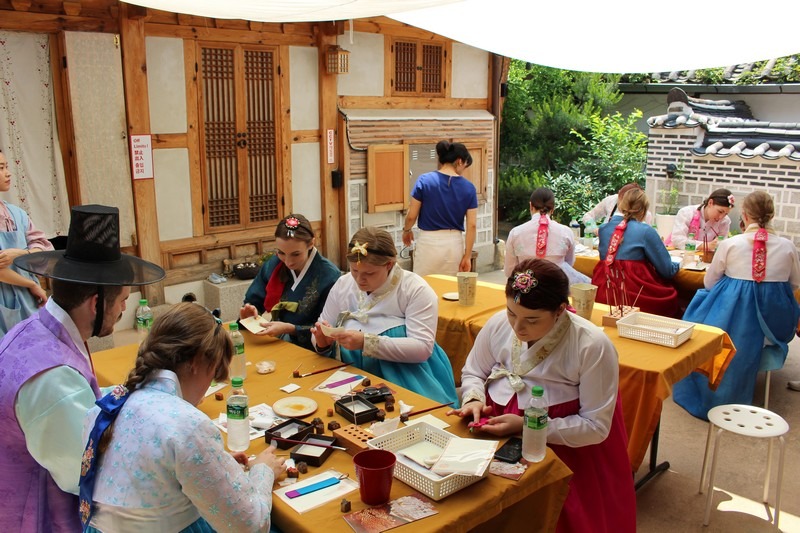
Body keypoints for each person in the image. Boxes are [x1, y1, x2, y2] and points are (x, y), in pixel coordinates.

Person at [0, 204, 165, 532]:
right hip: (37, 514)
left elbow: (84, 406)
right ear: (95, 303)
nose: (122, 312)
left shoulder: (38, 329)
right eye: (122, 301)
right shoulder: (51, 378)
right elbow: (89, 470)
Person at [448, 258, 635, 532]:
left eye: (532, 320)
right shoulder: (499, 323)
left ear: (560, 310)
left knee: (553, 515)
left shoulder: (591, 345)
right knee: (488, 506)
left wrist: (527, 427)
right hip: (499, 429)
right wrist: (474, 398)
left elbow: (596, 426)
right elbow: (474, 371)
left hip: (564, 447)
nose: (518, 327)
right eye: (512, 312)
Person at [78, 302, 285, 531]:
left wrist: (215, 464)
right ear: (197, 362)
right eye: (213, 373)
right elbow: (250, 526)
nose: (209, 386)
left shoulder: (105, 406)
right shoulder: (187, 425)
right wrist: (263, 471)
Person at [673, 191, 800, 419]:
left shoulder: (731, 244)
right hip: (772, 324)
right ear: (771, 215)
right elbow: (794, 285)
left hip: (731, 322)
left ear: (745, 215)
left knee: (701, 313)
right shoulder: (788, 247)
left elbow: (709, 282)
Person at [313, 227, 458, 405]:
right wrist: (322, 342)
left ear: (389, 264)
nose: (359, 280)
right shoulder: (343, 284)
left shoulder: (415, 289)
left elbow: (422, 348)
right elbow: (322, 325)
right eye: (354, 271)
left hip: (404, 374)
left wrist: (366, 342)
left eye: (369, 273)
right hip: (351, 372)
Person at [240, 213, 340, 350]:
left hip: (311, 350)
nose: (288, 262)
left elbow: (329, 329)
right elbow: (254, 301)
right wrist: (250, 314)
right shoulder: (274, 264)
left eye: (295, 254)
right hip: (274, 342)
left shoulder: (329, 276)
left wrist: (292, 329)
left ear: (311, 243)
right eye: (281, 253)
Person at [592, 188, 679, 317]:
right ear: (643, 210)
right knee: (672, 299)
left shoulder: (604, 229)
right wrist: (679, 265)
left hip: (605, 289)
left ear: (621, 206)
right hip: (635, 291)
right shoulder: (646, 231)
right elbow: (667, 270)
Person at [402, 140, 478, 277]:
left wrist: (406, 230)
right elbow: (472, 225)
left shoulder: (424, 181)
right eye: (465, 166)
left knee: (424, 288)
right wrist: (467, 256)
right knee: (450, 291)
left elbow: (411, 216)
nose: (463, 171)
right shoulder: (469, 188)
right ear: (460, 161)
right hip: (453, 244)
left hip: (428, 242)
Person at [0, 149, 53, 335]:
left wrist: (19, 253)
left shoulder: (17, 214)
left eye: (6, 167)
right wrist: (31, 284)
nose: (8, 173)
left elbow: (44, 248)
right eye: (1, 168)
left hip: (29, 297)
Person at [504, 187, 590, 285]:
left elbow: (509, 271)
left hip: (527, 288)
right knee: (589, 285)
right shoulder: (566, 232)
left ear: (531, 206)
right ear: (553, 209)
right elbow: (569, 262)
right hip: (558, 287)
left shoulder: (516, 233)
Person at [668, 187, 733, 250]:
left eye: (726, 214)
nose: (721, 217)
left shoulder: (725, 221)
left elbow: (722, 243)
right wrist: (705, 246)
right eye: (720, 211)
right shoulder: (686, 213)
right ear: (710, 203)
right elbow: (677, 239)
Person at [582, 182, 653, 226]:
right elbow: (588, 216)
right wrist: (594, 229)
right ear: (619, 194)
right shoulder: (610, 201)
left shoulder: (645, 215)